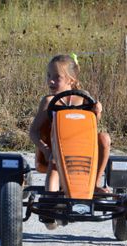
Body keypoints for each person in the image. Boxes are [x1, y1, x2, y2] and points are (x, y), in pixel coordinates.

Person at [29, 54, 111, 228]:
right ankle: (50, 207)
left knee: (104, 138)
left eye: (56, 77)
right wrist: (45, 149)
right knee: (53, 163)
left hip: (82, 147)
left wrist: (97, 112)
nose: (50, 81)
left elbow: (91, 126)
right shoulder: (48, 101)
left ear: (71, 80)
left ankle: (95, 184)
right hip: (57, 149)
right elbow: (34, 131)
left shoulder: (84, 98)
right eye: (48, 76)